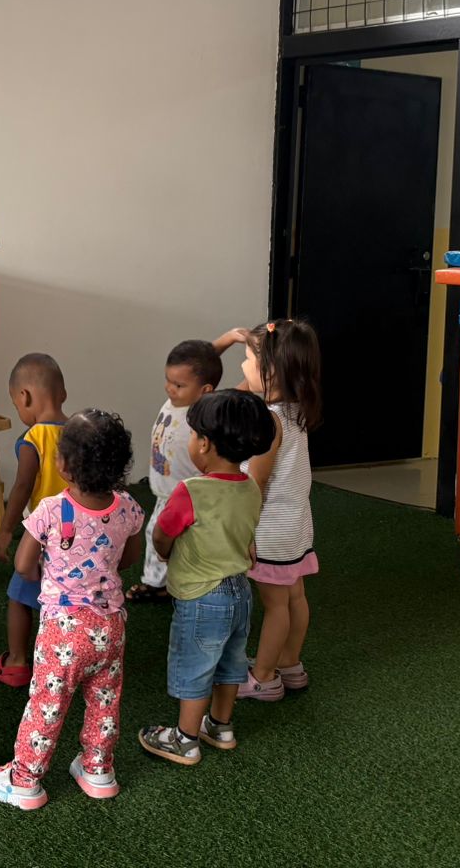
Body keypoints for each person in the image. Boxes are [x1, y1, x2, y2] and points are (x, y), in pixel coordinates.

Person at [0, 410, 145, 810]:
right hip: (111, 627)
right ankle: (98, 770)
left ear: (65, 466)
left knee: (47, 703)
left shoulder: (51, 510)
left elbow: (23, 565)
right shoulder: (127, 506)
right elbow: (128, 559)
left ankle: (25, 780)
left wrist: (50, 570)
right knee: (105, 700)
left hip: (63, 630)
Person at [137, 389, 274, 768]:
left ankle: (185, 739)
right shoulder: (250, 487)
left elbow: (162, 533)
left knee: (195, 665)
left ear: (205, 444)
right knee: (231, 663)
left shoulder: (191, 490)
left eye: (194, 434)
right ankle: (221, 726)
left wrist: (164, 553)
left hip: (201, 597)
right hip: (240, 592)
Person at [217, 321, 323, 701]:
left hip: (269, 528)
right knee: (295, 597)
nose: (242, 366)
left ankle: (263, 677)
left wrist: (244, 531)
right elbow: (238, 394)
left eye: (248, 360)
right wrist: (254, 362)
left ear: (272, 371)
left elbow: (256, 481)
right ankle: (290, 664)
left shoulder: (269, 421)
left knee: (275, 606)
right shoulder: (294, 408)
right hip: (295, 525)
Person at [0, 353, 68, 688]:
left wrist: (5, 531)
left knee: (20, 596)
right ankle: (64, 660)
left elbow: (22, 487)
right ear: (63, 394)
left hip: (42, 539)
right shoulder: (79, 432)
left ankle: (17, 661)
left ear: (25, 396)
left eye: (15, 404)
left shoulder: (32, 439)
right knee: (66, 598)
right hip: (76, 536)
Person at [126, 340, 223, 604]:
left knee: (174, 538)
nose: (170, 388)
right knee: (157, 535)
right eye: (168, 380)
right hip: (165, 491)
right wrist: (228, 338)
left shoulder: (201, 415)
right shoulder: (175, 401)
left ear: (205, 390)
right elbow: (203, 360)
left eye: (178, 385)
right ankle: (160, 583)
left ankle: (174, 584)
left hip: (185, 494)